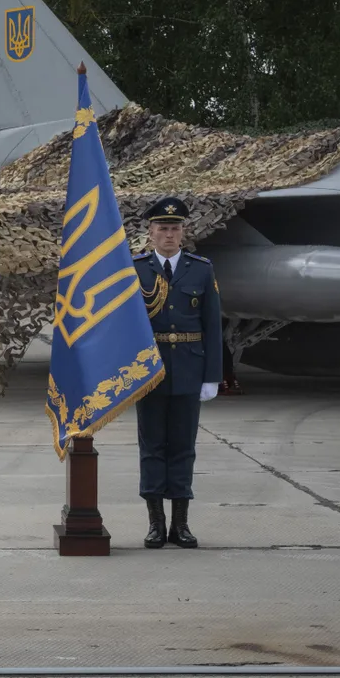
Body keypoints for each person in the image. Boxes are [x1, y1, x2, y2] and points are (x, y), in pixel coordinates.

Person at [133, 198, 223, 549]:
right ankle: (156, 524)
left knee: (184, 447)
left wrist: (212, 375)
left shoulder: (200, 269)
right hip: (149, 369)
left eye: (175, 228)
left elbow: (212, 325)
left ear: (183, 231)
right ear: (151, 232)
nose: (169, 234)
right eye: (162, 228)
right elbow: (125, 325)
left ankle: (180, 525)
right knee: (152, 446)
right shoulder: (135, 268)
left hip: (189, 367)